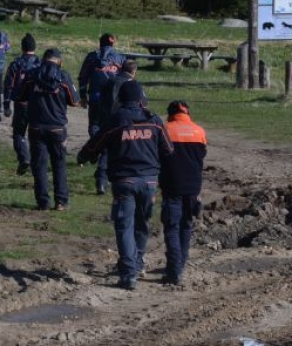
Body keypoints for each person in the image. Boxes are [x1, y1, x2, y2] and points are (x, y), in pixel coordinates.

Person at [77, 80, 173, 290]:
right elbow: (168, 150)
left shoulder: (116, 120)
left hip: (124, 181)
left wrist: (83, 156)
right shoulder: (154, 120)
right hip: (149, 182)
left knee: (124, 226)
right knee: (142, 224)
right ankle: (137, 264)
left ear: (120, 99)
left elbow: (96, 144)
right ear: (141, 99)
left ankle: (129, 272)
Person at [16, 48, 80, 211]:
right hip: (57, 128)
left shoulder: (31, 75)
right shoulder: (63, 77)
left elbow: (20, 96)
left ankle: (43, 202)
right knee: (59, 165)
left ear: (44, 59)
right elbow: (75, 101)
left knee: (40, 166)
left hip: (36, 126)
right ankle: (61, 201)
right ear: (59, 61)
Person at [159, 100, 207, 286]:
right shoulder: (199, 132)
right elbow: (201, 156)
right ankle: (180, 265)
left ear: (170, 113)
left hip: (171, 187)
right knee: (186, 225)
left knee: (171, 227)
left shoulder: (165, 130)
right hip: (193, 188)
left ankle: (174, 270)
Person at [78, 33, 126, 195]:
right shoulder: (119, 57)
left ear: (100, 44)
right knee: (109, 132)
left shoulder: (92, 57)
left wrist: (83, 95)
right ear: (113, 44)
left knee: (94, 125)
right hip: (113, 101)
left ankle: (95, 148)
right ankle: (98, 153)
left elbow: (83, 77)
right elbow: (125, 78)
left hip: (96, 98)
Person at [3, 33, 40, 176]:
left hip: (21, 103)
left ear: (22, 47)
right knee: (36, 134)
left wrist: (6, 104)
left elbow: (8, 85)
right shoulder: (41, 63)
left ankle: (24, 158)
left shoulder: (16, 64)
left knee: (19, 133)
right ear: (34, 47)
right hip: (38, 104)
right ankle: (36, 161)